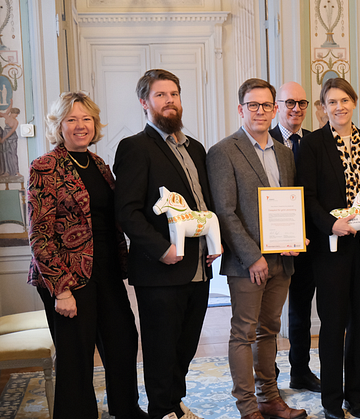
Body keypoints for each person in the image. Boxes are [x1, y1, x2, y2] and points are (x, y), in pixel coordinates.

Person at [28, 91, 145, 418]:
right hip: (66, 277)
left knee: (123, 340)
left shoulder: (99, 165)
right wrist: (60, 290)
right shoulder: (45, 166)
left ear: (95, 123)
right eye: (72, 119)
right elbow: (39, 234)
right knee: (76, 358)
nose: (81, 126)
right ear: (59, 125)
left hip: (105, 272)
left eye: (87, 119)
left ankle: (126, 409)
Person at [114, 69, 220, 419]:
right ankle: (162, 410)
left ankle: (173, 403)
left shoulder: (196, 148)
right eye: (160, 95)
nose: (169, 101)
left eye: (173, 94)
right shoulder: (134, 147)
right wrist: (162, 249)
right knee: (161, 350)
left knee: (185, 347)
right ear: (145, 103)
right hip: (160, 271)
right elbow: (127, 212)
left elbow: (203, 206)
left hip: (198, 267)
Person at [206, 78, 307, 419]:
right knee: (243, 333)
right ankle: (248, 408)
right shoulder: (223, 151)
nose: (260, 111)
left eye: (266, 105)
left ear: (274, 109)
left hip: (283, 259)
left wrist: (297, 238)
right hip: (247, 263)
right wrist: (253, 256)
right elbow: (225, 211)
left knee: (270, 331)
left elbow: (290, 203)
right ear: (241, 109)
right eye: (253, 105)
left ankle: (270, 398)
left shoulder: (284, 152)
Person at [296, 78, 360, 419]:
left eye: (344, 100)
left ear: (354, 102)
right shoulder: (314, 144)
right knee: (333, 324)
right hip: (330, 247)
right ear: (323, 107)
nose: (339, 107)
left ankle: (354, 395)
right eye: (331, 102)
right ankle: (332, 400)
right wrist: (331, 224)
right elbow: (308, 196)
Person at [268, 81, 321, 393]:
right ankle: (268, 376)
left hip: (309, 242)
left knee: (301, 312)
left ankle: (300, 371)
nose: (296, 109)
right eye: (289, 103)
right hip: (272, 243)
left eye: (302, 103)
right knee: (269, 316)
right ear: (278, 106)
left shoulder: (314, 142)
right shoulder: (263, 139)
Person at [0, 104, 20, 176]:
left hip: (12, 138)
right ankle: (7, 172)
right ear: (12, 113)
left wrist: (4, 138)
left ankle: (16, 171)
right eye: (16, 114)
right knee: (5, 154)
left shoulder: (15, 121)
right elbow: (7, 110)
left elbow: (11, 132)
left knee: (13, 154)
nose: (17, 115)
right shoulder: (7, 117)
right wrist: (10, 102)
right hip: (5, 136)